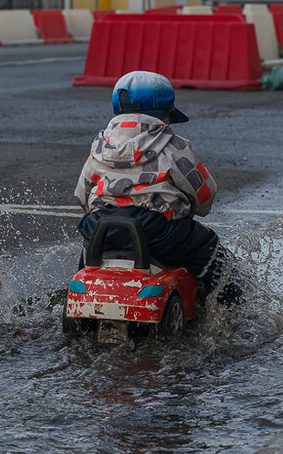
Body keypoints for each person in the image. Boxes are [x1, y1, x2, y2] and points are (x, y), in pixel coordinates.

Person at [74, 70, 238, 302]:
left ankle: (83, 291)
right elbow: (204, 196)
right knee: (209, 249)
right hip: (157, 234)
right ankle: (234, 308)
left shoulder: (99, 146)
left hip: (103, 229)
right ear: (164, 115)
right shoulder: (173, 145)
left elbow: (82, 196)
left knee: (88, 253)